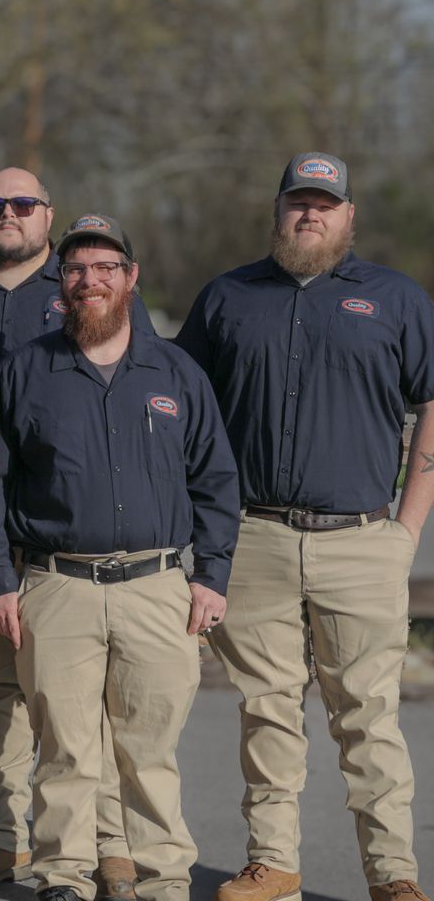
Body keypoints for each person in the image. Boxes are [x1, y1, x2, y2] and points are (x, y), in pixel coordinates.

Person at [176, 153, 434, 901]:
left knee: (368, 719)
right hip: (252, 539)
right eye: (299, 201)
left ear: (350, 215)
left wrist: (406, 531)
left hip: (362, 542)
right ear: (278, 208)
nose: (310, 214)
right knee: (267, 713)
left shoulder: (395, 299)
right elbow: (178, 410)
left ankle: (393, 875)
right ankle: (273, 864)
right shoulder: (227, 298)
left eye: (326, 203)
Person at [0, 214, 240, 901]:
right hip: (56, 585)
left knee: (148, 749)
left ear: (130, 278)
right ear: (60, 283)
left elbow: (215, 479)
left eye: (103, 268)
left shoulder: (176, 371)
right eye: (75, 269)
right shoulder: (26, 371)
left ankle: (161, 878)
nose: (88, 280)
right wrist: (1, 581)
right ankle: (64, 875)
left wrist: (212, 576)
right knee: (64, 750)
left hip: (157, 587)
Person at [0, 167, 147, 897]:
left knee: (88, 705)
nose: (8, 214)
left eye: (23, 204)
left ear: (47, 215)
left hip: (67, 531)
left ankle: (104, 842)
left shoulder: (88, 285)